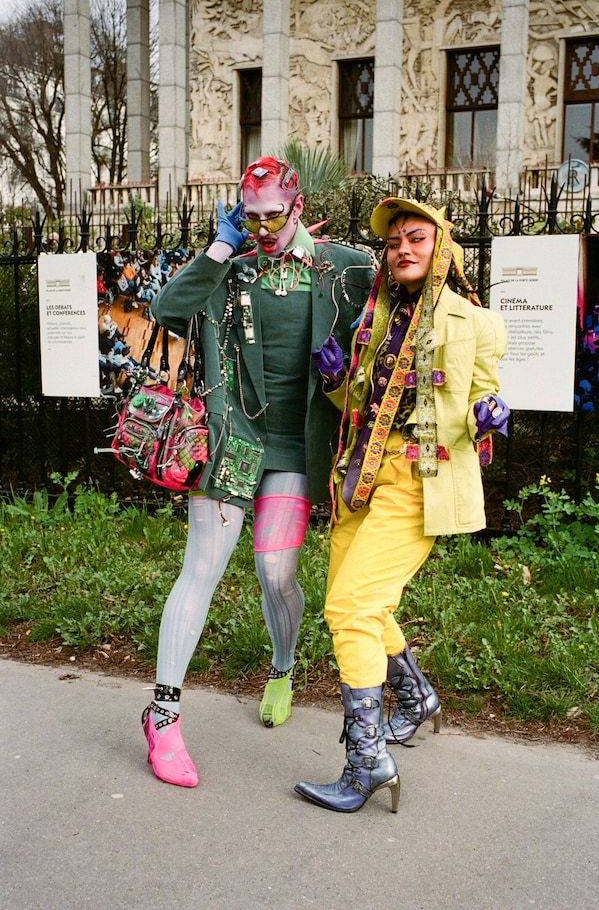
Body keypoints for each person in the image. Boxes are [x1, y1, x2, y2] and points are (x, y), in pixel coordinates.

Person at [143, 156, 375, 787]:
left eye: (274, 215)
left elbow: (395, 325)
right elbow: (167, 308)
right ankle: (161, 716)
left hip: (295, 449)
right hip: (233, 443)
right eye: (252, 218)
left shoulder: (345, 267)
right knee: (202, 570)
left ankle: (282, 665)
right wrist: (219, 246)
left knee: (276, 571)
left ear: (297, 207)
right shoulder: (230, 269)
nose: (264, 229)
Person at [294, 198, 509, 813]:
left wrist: (487, 413)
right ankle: (415, 697)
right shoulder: (377, 318)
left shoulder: (475, 322)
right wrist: (338, 382)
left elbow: (482, 399)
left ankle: (366, 762)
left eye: (416, 238)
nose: (403, 249)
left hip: (419, 481)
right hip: (361, 477)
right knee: (360, 598)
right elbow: (361, 408)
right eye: (393, 243)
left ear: (441, 247)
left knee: (351, 609)